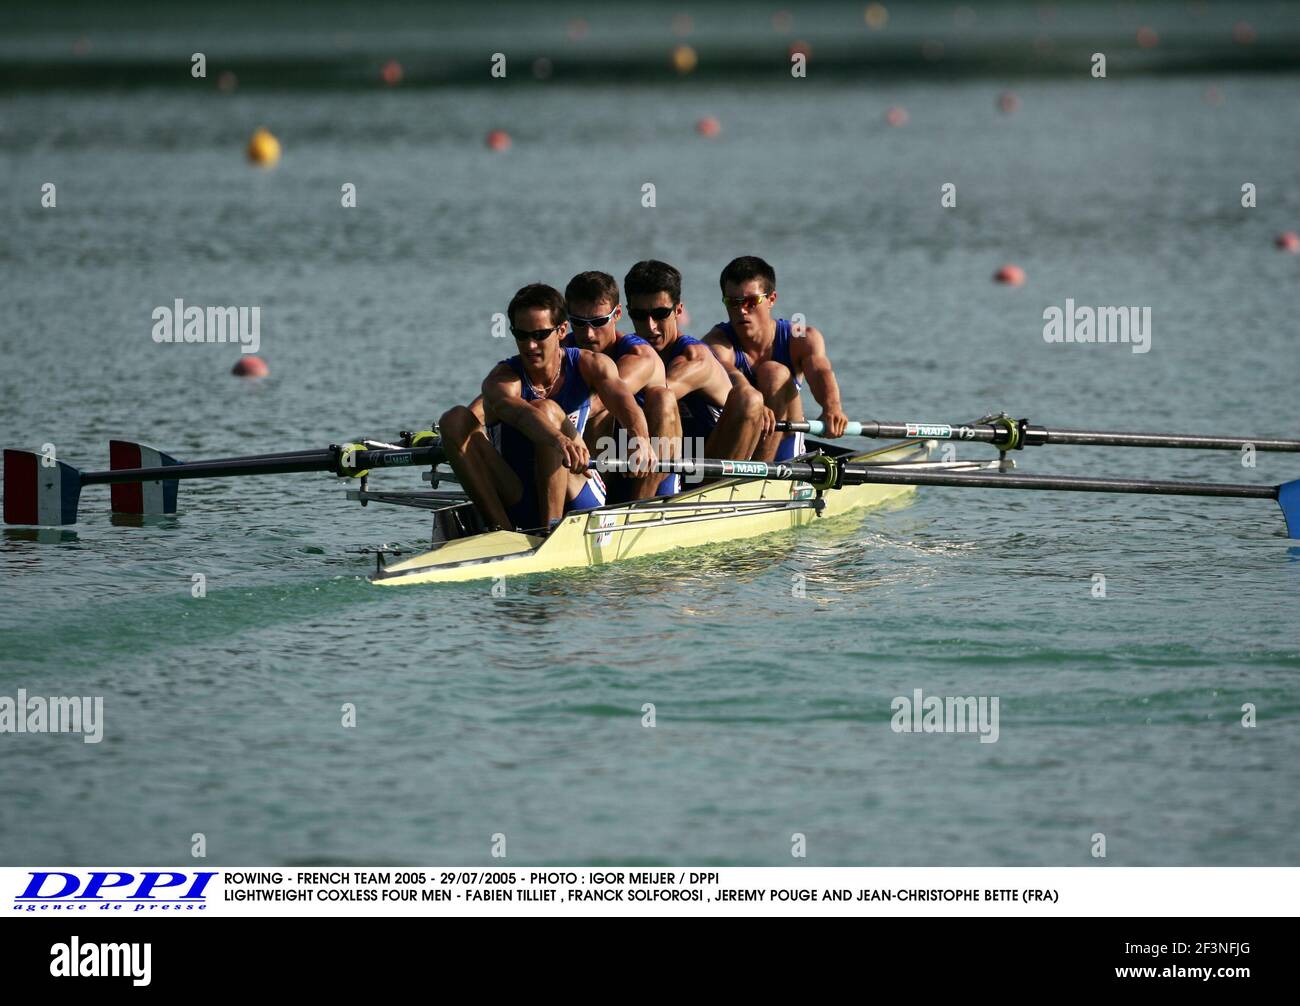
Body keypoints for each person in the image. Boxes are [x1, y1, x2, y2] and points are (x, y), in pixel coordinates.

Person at [437, 283, 654, 532]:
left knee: (547, 409)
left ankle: (549, 529)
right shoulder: (502, 380)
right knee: (453, 420)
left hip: (577, 492)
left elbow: (623, 401)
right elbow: (520, 414)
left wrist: (640, 438)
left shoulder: (592, 365)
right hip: (518, 494)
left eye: (540, 335)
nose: (530, 346)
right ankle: (499, 530)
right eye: (522, 335)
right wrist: (557, 439)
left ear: (561, 330)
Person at [622, 260, 768, 468]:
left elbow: (656, 395)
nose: (650, 326)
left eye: (661, 314)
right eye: (640, 315)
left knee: (749, 398)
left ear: (678, 310)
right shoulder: (627, 350)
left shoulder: (694, 358)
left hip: (707, 469)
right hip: (660, 463)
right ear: (627, 312)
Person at [704, 255, 848, 462]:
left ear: (771, 299)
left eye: (751, 301)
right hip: (738, 447)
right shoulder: (716, 342)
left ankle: (763, 471)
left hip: (785, 447)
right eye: (732, 302)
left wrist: (832, 409)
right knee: (749, 396)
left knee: (773, 371)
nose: (741, 310)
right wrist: (753, 401)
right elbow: (731, 374)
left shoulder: (799, 337)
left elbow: (820, 371)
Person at [563, 270, 678, 501]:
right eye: (578, 322)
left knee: (655, 399)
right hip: (598, 466)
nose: (587, 333)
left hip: (646, 471)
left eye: (597, 322)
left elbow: (600, 401)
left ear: (616, 315)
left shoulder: (639, 355)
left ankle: (639, 507)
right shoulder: (559, 349)